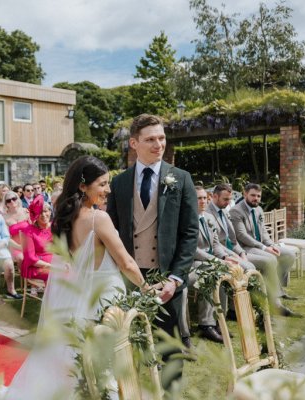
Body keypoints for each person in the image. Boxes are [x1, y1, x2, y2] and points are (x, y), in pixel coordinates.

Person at [0, 155, 150, 400]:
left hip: (76, 305)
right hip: (102, 306)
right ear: (83, 186)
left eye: (107, 183)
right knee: (101, 367)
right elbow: (126, 262)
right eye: (102, 184)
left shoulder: (64, 220)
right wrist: (146, 288)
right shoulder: (98, 219)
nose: (108, 190)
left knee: (77, 367)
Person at [107, 113, 198, 387]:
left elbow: (190, 233)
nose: (159, 144)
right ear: (134, 143)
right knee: (129, 341)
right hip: (130, 277)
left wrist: (176, 278)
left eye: (161, 138)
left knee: (169, 344)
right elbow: (112, 231)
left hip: (166, 279)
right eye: (150, 139)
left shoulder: (181, 179)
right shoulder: (120, 182)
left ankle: (171, 393)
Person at [208, 183, 299, 317]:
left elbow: (234, 240)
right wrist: (242, 253)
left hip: (239, 250)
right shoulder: (229, 212)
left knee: (287, 255)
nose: (229, 203)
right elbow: (238, 237)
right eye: (226, 200)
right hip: (239, 249)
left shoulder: (227, 211)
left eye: (258, 196)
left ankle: (274, 293)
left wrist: (270, 245)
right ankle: (266, 304)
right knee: (268, 261)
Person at [180, 186, 241, 345]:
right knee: (215, 273)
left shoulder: (208, 217)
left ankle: (218, 321)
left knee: (221, 272)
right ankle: (206, 325)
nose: (203, 201)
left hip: (206, 262)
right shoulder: (185, 219)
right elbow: (193, 251)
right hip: (191, 265)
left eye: (204, 198)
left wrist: (225, 256)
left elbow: (215, 244)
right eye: (199, 198)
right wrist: (218, 261)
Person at [20, 197, 52, 283]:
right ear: (35, 215)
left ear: (50, 212)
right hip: (36, 267)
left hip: (56, 263)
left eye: (46, 211)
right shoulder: (28, 231)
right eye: (40, 212)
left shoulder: (55, 227)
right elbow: (30, 258)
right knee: (56, 275)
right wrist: (50, 266)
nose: (44, 215)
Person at [2, 191, 30, 266]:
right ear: (6, 204)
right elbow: (7, 237)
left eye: (14, 198)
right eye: (8, 200)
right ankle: (23, 276)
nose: (11, 201)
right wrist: (19, 247)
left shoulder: (25, 212)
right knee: (21, 258)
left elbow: (33, 229)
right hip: (15, 246)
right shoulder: (4, 218)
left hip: (29, 243)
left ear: (18, 199)